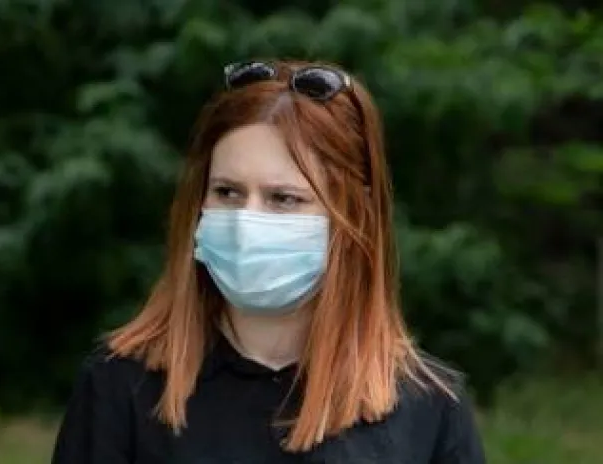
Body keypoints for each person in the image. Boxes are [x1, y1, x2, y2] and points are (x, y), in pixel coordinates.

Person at [51, 60, 486, 463]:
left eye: (283, 198)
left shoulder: (428, 409)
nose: (246, 223)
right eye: (227, 192)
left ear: (354, 215)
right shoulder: (121, 387)